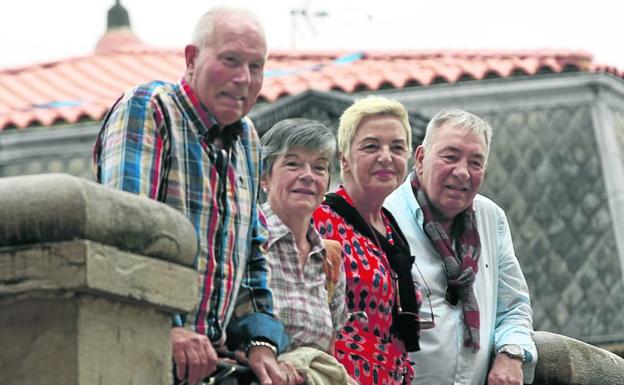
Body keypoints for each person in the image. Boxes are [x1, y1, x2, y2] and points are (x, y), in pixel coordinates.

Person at [93, 7, 289, 385]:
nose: (243, 79)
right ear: (191, 58)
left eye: (256, 66)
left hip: (210, 363)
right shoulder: (150, 108)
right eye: (230, 60)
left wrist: (261, 341)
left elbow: (250, 259)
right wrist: (165, 325)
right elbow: (125, 233)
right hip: (144, 354)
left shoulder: (247, 137)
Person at [384, 109, 538, 385]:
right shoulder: (384, 217)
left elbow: (514, 307)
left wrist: (511, 353)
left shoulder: (491, 218)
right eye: (450, 157)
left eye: (475, 163)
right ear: (420, 158)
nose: (462, 172)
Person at [312, 96, 421, 385]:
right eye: (371, 146)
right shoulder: (320, 220)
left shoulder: (391, 227)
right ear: (344, 158)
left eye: (397, 147)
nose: (386, 156)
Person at [259, 118, 352, 385]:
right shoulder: (244, 239)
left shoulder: (329, 257)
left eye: (319, 167)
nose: (308, 175)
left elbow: (327, 354)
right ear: (265, 176)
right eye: (292, 164)